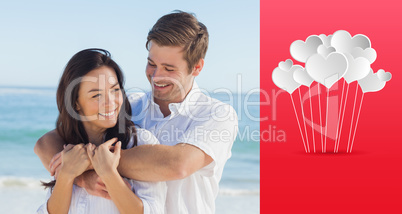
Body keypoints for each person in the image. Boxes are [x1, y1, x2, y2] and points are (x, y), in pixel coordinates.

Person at [35, 11, 238, 213]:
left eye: (169, 69)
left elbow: (177, 165)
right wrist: (78, 177)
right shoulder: (126, 107)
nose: (156, 76)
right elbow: (46, 143)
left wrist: (91, 163)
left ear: (197, 67)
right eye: (151, 64)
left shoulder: (218, 115)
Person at [36, 49, 166, 214]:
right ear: (75, 103)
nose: (110, 102)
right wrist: (67, 175)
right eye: (97, 95)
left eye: (115, 90)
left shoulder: (139, 142)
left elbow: (153, 211)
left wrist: (109, 173)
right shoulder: (66, 150)